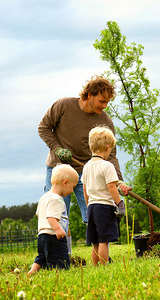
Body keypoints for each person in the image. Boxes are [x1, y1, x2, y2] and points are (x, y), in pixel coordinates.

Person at [38, 75, 131, 225]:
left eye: (107, 102)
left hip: (87, 172)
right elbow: (43, 128)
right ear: (89, 95)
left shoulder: (105, 121)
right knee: (57, 215)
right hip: (59, 169)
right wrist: (57, 149)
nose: (105, 105)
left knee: (94, 216)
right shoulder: (64, 105)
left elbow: (111, 155)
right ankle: (61, 249)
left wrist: (118, 180)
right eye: (102, 101)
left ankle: (97, 248)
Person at [27, 164, 79, 275]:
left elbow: (39, 215)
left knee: (41, 257)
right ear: (65, 182)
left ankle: (33, 271)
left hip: (42, 235)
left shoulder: (44, 197)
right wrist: (58, 229)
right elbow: (51, 217)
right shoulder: (57, 199)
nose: (72, 190)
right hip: (54, 235)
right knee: (61, 259)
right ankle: (59, 273)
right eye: (73, 187)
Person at [82, 126, 122, 265]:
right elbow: (111, 187)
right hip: (104, 207)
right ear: (108, 147)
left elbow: (85, 189)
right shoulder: (107, 166)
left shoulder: (86, 166)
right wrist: (119, 203)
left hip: (92, 207)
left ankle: (95, 266)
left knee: (95, 240)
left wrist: (87, 206)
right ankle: (104, 266)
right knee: (103, 240)